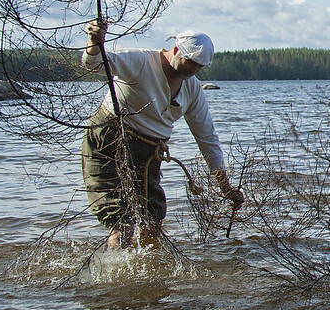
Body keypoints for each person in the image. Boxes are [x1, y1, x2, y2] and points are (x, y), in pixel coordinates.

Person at [81, 20, 244, 248]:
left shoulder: (192, 87)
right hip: (108, 139)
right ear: (177, 50)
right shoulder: (140, 61)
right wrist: (94, 42)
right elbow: (95, 65)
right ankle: (116, 274)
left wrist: (224, 186)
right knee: (122, 221)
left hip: (147, 154)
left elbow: (207, 138)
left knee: (153, 222)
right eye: (192, 63)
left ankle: (151, 276)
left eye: (200, 67)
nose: (194, 71)